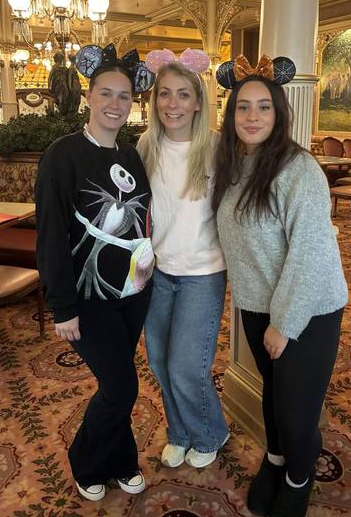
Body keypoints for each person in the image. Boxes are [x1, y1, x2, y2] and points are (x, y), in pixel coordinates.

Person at [212, 56, 348, 517]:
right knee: (272, 394)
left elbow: (309, 251)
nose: (252, 116)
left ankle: (298, 478)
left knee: (295, 410)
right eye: (243, 107)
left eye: (264, 107)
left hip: (309, 307)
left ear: (279, 113)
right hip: (258, 305)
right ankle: (274, 460)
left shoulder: (298, 168)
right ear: (231, 114)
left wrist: (285, 324)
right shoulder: (234, 165)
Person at [36, 45, 154, 502]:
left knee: (115, 381)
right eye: (106, 93)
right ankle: (86, 461)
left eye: (124, 96)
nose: (115, 104)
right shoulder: (62, 155)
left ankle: (122, 461)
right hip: (87, 298)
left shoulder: (132, 154)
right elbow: (51, 233)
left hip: (134, 293)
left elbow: (141, 219)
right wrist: (61, 306)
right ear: (89, 96)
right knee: (122, 386)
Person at [137, 50, 229, 470]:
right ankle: (180, 432)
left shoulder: (217, 148)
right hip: (157, 272)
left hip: (203, 273)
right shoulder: (146, 146)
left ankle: (210, 433)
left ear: (197, 102)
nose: (172, 104)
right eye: (164, 94)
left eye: (183, 94)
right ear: (154, 99)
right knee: (159, 362)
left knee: (187, 367)